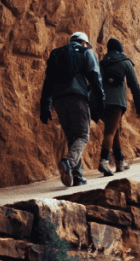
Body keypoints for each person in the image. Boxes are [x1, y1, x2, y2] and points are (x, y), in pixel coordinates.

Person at [39, 32, 105, 187]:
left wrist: (46, 105)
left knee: (72, 137)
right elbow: (95, 78)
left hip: (58, 101)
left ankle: (77, 176)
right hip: (78, 98)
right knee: (82, 135)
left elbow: (48, 81)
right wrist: (100, 102)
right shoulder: (85, 52)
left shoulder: (56, 54)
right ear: (83, 42)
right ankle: (68, 162)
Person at [97, 38, 140, 176]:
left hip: (103, 102)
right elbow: (135, 86)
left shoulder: (103, 63)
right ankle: (103, 161)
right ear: (120, 49)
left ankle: (120, 162)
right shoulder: (125, 62)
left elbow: (97, 81)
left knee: (115, 130)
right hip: (117, 102)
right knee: (110, 132)